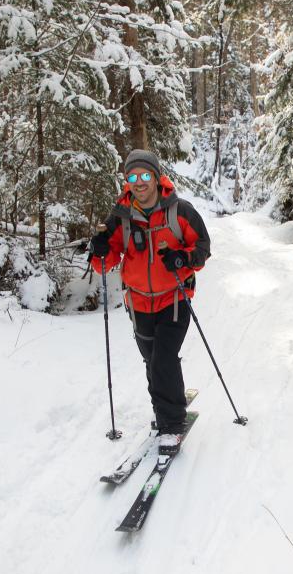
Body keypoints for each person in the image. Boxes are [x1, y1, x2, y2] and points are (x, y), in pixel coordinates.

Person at [88, 149, 211, 447]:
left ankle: (171, 421)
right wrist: (100, 249)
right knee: (152, 359)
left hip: (174, 299)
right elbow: (105, 262)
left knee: (163, 360)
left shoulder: (180, 211)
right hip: (139, 302)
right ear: (127, 181)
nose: (139, 182)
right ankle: (165, 404)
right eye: (133, 176)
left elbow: (203, 248)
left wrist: (181, 260)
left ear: (156, 177)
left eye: (145, 175)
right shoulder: (120, 217)